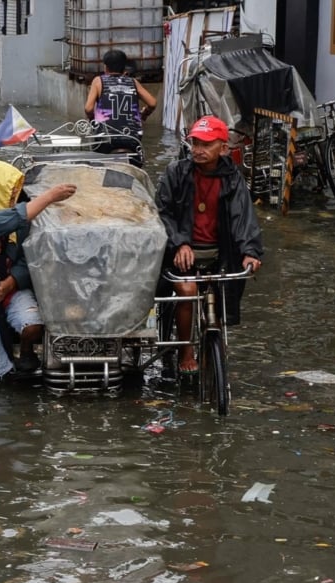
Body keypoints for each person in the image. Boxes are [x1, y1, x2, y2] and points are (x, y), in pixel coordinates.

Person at [156, 115, 263, 374]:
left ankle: (213, 342)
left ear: (223, 148)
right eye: (195, 144)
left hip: (220, 251)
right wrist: (180, 243)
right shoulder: (176, 172)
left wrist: (250, 251)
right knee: (187, 291)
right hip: (181, 252)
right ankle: (185, 351)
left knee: (222, 292)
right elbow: (162, 211)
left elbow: (244, 215)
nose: (198, 150)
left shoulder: (233, 178)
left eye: (206, 145)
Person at [0, 160, 76, 384]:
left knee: (32, 325)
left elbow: (27, 257)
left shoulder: (22, 219)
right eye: (9, 192)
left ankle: (27, 352)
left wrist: (12, 282)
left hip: (12, 290)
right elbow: (10, 219)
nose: (14, 198)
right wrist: (49, 196)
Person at [84, 49, 156, 165]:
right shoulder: (132, 82)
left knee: (96, 164)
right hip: (132, 141)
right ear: (124, 68)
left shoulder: (98, 81)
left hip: (106, 141)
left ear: (105, 68)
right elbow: (152, 103)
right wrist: (144, 114)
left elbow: (88, 109)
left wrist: (93, 120)